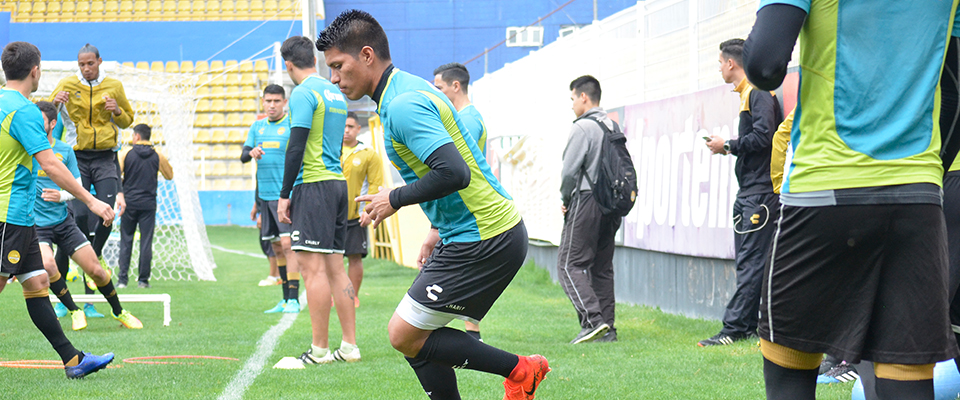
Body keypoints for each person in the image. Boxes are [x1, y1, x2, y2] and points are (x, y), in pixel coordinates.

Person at [319, 10, 549, 399]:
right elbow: (457, 170)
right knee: (416, 336)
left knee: (403, 333)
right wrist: (436, 229)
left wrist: (394, 198)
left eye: (339, 67)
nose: (336, 79)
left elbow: (455, 173)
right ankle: (518, 371)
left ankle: (522, 371)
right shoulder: (406, 89)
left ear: (368, 55)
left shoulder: (404, 104)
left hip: (484, 237)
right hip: (470, 232)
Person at [742, 3, 960, 399]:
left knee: (789, 366)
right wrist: (926, 169)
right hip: (918, 198)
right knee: (905, 375)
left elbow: (763, 64)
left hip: (823, 192)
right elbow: (955, 86)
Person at [0, 41, 115, 379]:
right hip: (9, 214)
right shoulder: (23, 110)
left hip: (20, 217)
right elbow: (50, 163)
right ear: (35, 70)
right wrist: (91, 200)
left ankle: (73, 359)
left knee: (36, 282)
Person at [276, 35, 358, 364]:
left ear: (288, 65)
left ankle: (319, 350)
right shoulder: (334, 92)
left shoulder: (303, 93)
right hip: (338, 184)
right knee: (336, 268)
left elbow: (296, 146)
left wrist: (284, 195)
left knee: (312, 270)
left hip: (315, 184)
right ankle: (349, 346)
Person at [700, 38, 782, 347]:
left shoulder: (758, 93)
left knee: (751, 261)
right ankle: (747, 325)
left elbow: (764, 136)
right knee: (751, 260)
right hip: (752, 191)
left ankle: (732, 330)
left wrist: (730, 145)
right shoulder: (749, 93)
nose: (719, 68)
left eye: (720, 62)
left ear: (731, 63)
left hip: (759, 194)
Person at [33, 101, 143, 330]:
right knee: (48, 264)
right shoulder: (26, 149)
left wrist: (62, 196)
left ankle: (119, 311)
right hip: (36, 224)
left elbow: (78, 185)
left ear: (53, 124)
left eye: (40, 119)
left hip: (63, 222)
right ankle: (74, 310)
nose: (34, 123)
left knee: (96, 270)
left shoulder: (64, 151)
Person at [50, 43, 133, 311]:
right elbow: (47, 115)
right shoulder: (67, 83)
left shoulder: (114, 86)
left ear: (99, 61)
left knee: (107, 213)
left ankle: (91, 260)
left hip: (106, 157)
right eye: (81, 64)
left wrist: (117, 110)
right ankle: (68, 302)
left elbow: (128, 120)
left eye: (90, 63)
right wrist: (55, 103)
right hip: (77, 157)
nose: (86, 68)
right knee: (77, 219)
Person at [555, 75, 621, 345]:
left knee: (568, 264)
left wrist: (565, 199)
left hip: (587, 199)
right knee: (602, 268)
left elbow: (570, 171)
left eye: (572, 98)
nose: (571, 105)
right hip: (612, 204)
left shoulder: (583, 127)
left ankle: (593, 321)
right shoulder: (612, 124)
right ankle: (608, 329)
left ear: (584, 97)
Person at [432, 63, 488, 340]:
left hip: (465, 210)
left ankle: (467, 338)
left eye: (439, 87)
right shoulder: (464, 117)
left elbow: (456, 170)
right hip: (462, 210)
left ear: (456, 86)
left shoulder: (467, 120)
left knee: (449, 272)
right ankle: (470, 335)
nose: (435, 92)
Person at [241, 84, 300, 314]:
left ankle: (294, 298)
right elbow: (243, 155)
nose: (272, 105)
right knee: (276, 247)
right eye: (268, 101)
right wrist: (251, 152)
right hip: (265, 198)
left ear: (284, 103)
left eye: (276, 101)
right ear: (263, 102)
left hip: (285, 196)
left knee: (288, 245)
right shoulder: (257, 127)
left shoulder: (291, 125)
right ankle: (285, 299)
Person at [116, 124, 173, 289]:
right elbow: (169, 176)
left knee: (126, 240)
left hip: (129, 203)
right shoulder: (158, 156)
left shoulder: (126, 154)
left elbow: (116, 174)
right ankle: (143, 280)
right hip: (148, 204)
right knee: (146, 242)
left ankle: (122, 280)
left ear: (137, 137)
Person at [340, 111, 383, 309]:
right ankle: (338, 295)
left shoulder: (368, 153)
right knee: (332, 259)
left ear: (358, 129)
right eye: (343, 126)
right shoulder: (331, 150)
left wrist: (368, 210)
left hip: (356, 216)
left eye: (350, 126)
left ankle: (353, 296)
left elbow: (374, 184)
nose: (346, 130)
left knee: (354, 256)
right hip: (332, 215)